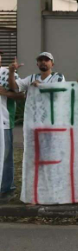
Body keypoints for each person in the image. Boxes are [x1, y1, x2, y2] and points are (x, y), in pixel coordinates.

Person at [0, 50, 24, 200]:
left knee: (6, 156)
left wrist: (5, 93)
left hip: (3, 121)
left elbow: (21, 94)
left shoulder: (7, 73)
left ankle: (6, 189)